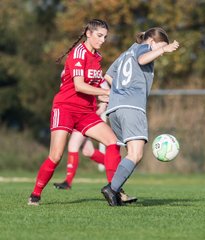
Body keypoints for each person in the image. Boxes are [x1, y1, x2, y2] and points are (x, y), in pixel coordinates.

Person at [28, 19, 121, 206]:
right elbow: (79, 86)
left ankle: (114, 190)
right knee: (55, 156)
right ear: (88, 33)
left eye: (105, 37)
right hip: (65, 108)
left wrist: (108, 98)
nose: (102, 40)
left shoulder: (97, 57)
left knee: (112, 142)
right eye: (99, 35)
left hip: (86, 112)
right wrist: (105, 92)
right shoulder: (79, 53)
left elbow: (93, 90)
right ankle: (35, 194)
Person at [99, 27, 179, 206]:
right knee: (136, 154)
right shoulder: (143, 48)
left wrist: (119, 91)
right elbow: (143, 59)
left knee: (129, 153)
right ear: (151, 42)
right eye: (160, 47)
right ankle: (112, 189)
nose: (161, 53)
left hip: (115, 108)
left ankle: (116, 191)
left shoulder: (125, 53)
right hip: (132, 106)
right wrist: (163, 49)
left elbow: (108, 76)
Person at [53, 102, 137, 203]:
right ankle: (118, 168)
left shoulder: (98, 85)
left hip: (85, 117)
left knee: (73, 145)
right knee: (88, 151)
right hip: (81, 115)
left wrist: (101, 106)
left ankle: (68, 182)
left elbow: (105, 94)